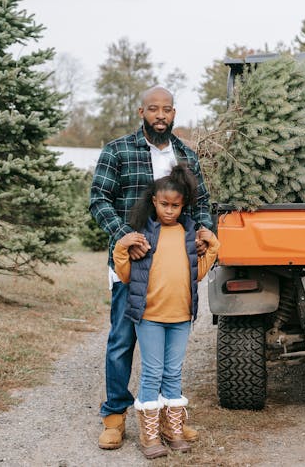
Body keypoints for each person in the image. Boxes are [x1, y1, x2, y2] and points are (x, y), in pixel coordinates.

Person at [89, 86, 213, 450]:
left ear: (174, 113)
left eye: (167, 110)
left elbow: (202, 202)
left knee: (168, 350)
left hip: (174, 270)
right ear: (141, 111)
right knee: (122, 342)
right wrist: (124, 235)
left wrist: (204, 231)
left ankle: (166, 419)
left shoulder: (186, 156)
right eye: (153, 109)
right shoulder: (118, 150)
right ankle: (114, 416)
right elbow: (98, 199)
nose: (161, 115)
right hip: (133, 267)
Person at [112, 168, 220, 458]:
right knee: (151, 372)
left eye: (175, 205)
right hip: (149, 317)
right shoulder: (143, 234)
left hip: (181, 317)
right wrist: (121, 248)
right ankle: (149, 436)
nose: (169, 210)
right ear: (154, 201)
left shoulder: (189, 233)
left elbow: (196, 274)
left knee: (173, 372)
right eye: (164, 204)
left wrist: (213, 246)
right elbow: (125, 275)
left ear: (183, 205)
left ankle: (172, 429)